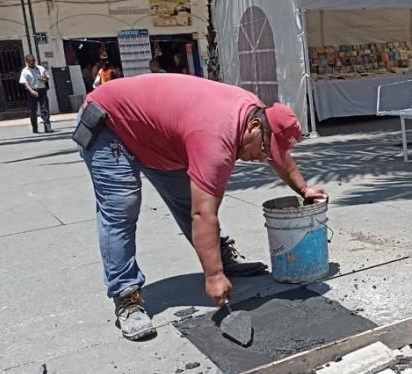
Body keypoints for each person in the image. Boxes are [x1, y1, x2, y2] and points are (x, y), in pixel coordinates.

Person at [77, 74, 328, 340]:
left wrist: (303, 189)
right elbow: (203, 214)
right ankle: (125, 295)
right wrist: (214, 275)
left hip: (157, 138)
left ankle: (220, 255)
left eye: (270, 154)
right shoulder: (216, 139)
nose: (261, 159)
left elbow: (278, 154)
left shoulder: (255, 116)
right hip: (110, 126)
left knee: (188, 199)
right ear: (254, 126)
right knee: (121, 208)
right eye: (264, 150)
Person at [18, 54, 53, 134]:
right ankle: (35, 128)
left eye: (33, 61)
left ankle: (47, 127)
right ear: (26, 62)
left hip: (42, 90)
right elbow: (25, 83)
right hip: (32, 91)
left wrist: (43, 78)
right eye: (30, 62)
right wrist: (32, 91)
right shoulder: (25, 71)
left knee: (45, 109)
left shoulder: (41, 68)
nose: (32, 63)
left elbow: (47, 78)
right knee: (33, 110)